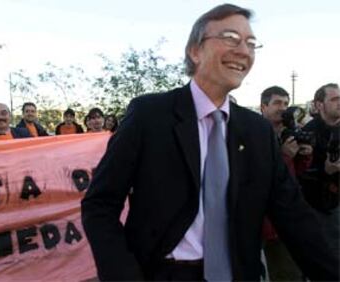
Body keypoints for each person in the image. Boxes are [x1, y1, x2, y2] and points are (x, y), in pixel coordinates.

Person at [81, 4, 338, 281]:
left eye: (251, 43)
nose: (244, 51)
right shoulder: (150, 116)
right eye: (231, 38)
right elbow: (100, 204)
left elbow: (294, 217)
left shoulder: (257, 132)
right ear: (195, 50)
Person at [260, 86, 313, 281]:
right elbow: (258, 176)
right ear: (263, 106)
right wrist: (285, 156)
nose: (283, 108)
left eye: (285, 103)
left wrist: (304, 157)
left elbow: (294, 175)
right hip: (255, 217)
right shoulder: (252, 133)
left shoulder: (288, 133)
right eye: (277, 103)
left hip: (280, 220)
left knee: (286, 273)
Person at [300, 83, 340, 256]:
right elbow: (299, 174)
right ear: (319, 105)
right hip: (321, 208)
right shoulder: (307, 133)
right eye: (334, 99)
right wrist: (326, 172)